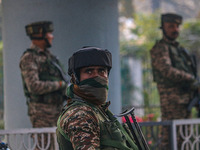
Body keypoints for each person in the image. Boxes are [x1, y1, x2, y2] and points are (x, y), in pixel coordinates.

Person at [56, 47, 139, 150]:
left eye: (101, 71)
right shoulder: (80, 114)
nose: (97, 76)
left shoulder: (99, 110)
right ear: (76, 78)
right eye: (89, 71)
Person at [150, 13, 199, 149]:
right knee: (170, 138)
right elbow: (166, 70)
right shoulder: (160, 48)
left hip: (186, 100)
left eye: (177, 26)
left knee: (185, 137)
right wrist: (191, 79)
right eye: (171, 26)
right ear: (163, 27)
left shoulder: (180, 50)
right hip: (172, 101)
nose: (175, 29)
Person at [19, 21, 67, 149]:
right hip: (42, 113)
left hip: (57, 110)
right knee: (45, 146)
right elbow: (34, 86)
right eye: (49, 33)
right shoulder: (29, 57)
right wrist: (60, 84)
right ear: (40, 35)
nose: (52, 36)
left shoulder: (50, 58)